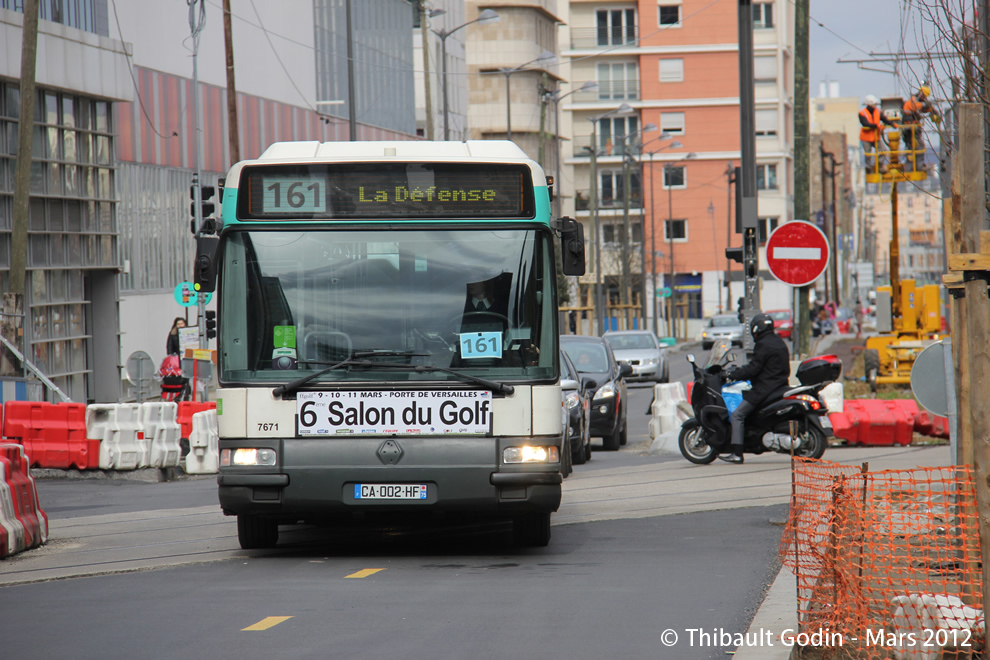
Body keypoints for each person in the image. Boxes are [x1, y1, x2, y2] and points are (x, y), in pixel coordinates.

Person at [719, 313, 791, 464]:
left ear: (756, 328)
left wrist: (734, 374)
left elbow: (753, 369)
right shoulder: (779, 341)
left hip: (764, 389)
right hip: (780, 385)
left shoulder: (763, 344)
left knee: (737, 415)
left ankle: (737, 453)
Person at [901, 86, 937, 169]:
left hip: (912, 129)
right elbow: (917, 107)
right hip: (910, 129)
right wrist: (928, 105)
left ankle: (911, 167)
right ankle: (918, 166)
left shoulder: (916, 101)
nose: (924, 98)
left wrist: (933, 111)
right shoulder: (912, 101)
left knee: (912, 148)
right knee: (919, 147)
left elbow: (925, 108)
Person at [859, 95, 894, 174]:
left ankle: (879, 165)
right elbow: (865, 124)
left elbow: (884, 119)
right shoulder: (862, 113)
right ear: (869, 104)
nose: (875, 106)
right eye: (874, 104)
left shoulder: (877, 111)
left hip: (876, 137)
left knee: (884, 150)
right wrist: (877, 126)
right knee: (868, 154)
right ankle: (868, 168)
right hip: (866, 138)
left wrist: (892, 124)